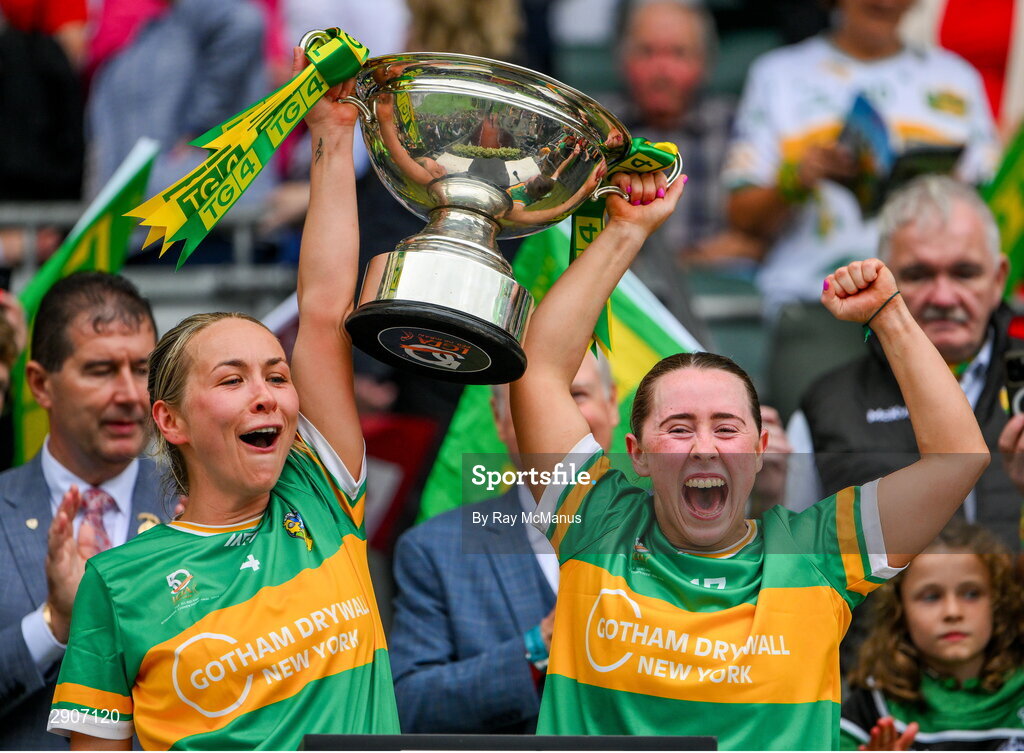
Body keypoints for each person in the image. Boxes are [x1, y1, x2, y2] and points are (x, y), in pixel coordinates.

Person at [508, 167, 990, 749]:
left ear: (761, 451)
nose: (705, 446)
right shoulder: (595, 524)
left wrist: (890, 314)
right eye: (678, 428)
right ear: (636, 454)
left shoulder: (818, 556)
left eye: (727, 427)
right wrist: (627, 232)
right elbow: (536, 372)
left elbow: (957, 459)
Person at [45, 52, 400, 749]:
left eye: (276, 374)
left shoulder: (319, 493)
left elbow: (324, 309)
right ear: (168, 419)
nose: (267, 394)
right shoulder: (117, 581)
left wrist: (333, 132)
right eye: (233, 379)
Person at [789, 176, 1022, 554]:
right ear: (881, 278)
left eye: (965, 273)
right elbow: (795, 562)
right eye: (918, 275)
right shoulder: (827, 405)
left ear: (998, 280)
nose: (944, 297)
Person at [389, 353, 619, 734]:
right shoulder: (434, 550)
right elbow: (411, 705)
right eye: (533, 397)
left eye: (576, 394)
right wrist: (540, 643)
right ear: (499, 419)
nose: (557, 415)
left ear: (611, 407)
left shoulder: (671, 537)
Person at [0, 272, 174, 750]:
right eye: (100, 370)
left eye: (142, 369)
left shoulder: (199, 507)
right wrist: (53, 624)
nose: (130, 394)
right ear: (40, 384)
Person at [840, 521, 1024, 750]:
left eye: (971, 594)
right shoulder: (873, 706)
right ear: (899, 611)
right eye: (931, 597)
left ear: (998, 602)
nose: (953, 612)